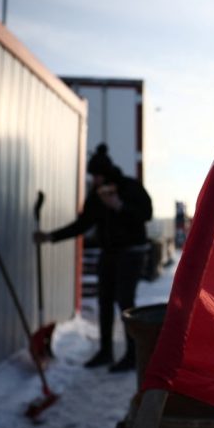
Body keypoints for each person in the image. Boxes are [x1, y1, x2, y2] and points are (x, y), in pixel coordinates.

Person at [35, 143, 153, 372]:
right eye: (93, 177)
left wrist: (119, 206)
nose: (95, 181)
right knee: (104, 300)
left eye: (97, 176)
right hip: (109, 253)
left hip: (132, 253)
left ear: (106, 174)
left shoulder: (129, 187)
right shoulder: (96, 198)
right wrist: (51, 236)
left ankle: (132, 354)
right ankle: (106, 351)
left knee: (125, 301)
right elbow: (82, 224)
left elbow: (145, 214)